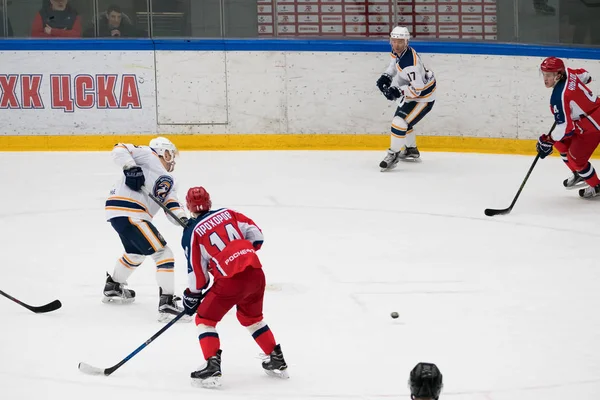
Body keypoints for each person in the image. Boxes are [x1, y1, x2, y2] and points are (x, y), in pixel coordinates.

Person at [180, 186, 288, 388]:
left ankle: (212, 367)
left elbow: (197, 273)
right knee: (251, 318)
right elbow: (257, 236)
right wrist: (240, 252)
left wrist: (192, 295)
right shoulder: (228, 213)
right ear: (209, 202)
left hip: (231, 281)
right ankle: (276, 359)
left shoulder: (191, 233)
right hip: (256, 272)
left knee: (205, 319)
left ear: (188, 207)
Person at [103, 137, 188, 322]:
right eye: (171, 154)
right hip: (131, 211)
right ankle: (167, 304)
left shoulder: (170, 181)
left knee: (135, 253)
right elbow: (120, 147)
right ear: (163, 152)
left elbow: (170, 203)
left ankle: (114, 286)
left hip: (121, 213)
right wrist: (130, 167)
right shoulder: (148, 155)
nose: (173, 158)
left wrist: (183, 219)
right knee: (164, 254)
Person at [536, 56, 600, 198]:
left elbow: (565, 127)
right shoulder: (569, 72)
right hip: (585, 120)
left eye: (549, 75)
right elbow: (586, 76)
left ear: (558, 75)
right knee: (560, 143)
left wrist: (548, 140)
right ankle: (579, 174)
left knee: (576, 160)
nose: (545, 79)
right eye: (544, 74)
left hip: (593, 125)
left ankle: (596, 185)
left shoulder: (559, 96)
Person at [376, 26, 436, 171]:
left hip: (423, 97)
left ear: (406, 42)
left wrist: (397, 90)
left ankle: (393, 154)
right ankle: (411, 150)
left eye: (400, 42)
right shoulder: (399, 52)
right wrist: (386, 76)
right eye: (393, 41)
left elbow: (417, 89)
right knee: (403, 121)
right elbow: (393, 64)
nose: (396, 45)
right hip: (415, 92)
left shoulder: (410, 64)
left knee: (400, 121)